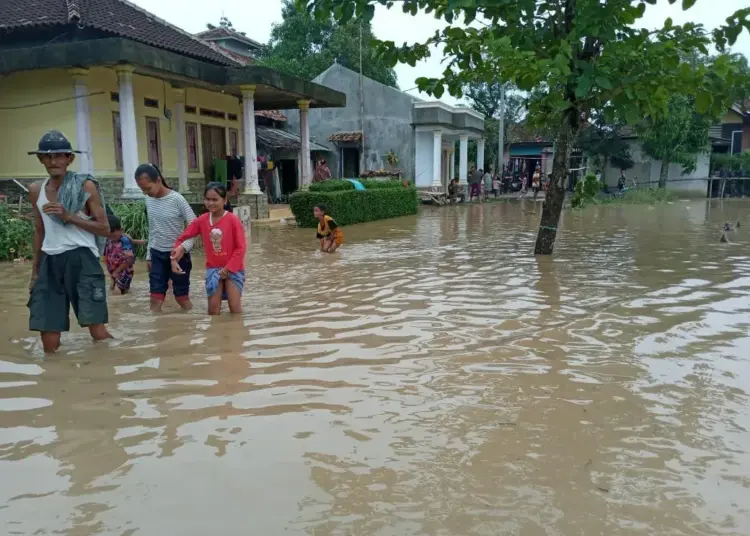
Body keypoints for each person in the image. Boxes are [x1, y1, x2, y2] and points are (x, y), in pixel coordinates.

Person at [26, 130, 112, 353]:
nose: (53, 161)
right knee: (48, 332)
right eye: (47, 156)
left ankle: (108, 370)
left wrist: (69, 217)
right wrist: (35, 272)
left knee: (96, 327)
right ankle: (53, 380)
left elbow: (105, 229)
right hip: (49, 262)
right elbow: (39, 230)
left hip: (82, 259)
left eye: (59, 156)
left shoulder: (85, 186)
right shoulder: (36, 190)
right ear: (41, 159)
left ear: (69, 159)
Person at [171, 182, 246, 315]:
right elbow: (183, 237)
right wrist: (176, 251)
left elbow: (241, 248)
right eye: (207, 199)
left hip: (233, 269)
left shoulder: (233, 220)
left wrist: (227, 269)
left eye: (215, 199)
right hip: (213, 270)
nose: (211, 203)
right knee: (213, 310)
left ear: (224, 200)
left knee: (235, 308)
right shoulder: (202, 220)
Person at [135, 163, 196, 312]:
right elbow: (153, 229)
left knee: (181, 297)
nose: (146, 193)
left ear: (158, 180)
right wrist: (149, 255)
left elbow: (194, 225)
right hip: (157, 255)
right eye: (142, 190)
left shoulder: (177, 199)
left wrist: (183, 248)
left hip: (178, 256)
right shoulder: (149, 200)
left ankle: (191, 325)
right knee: (155, 298)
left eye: (148, 188)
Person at [104, 215, 138, 295]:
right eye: (109, 236)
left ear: (121, 230)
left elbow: (130, 259)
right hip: (114, 272)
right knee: (113, 289)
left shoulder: (124, 241)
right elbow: (106, 256)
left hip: (125, 272)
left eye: (114, 236)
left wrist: (117, 271)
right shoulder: (108, 241)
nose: (111, 238)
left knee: (116, 292)